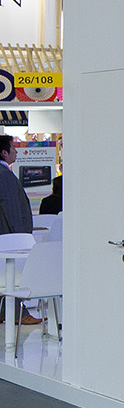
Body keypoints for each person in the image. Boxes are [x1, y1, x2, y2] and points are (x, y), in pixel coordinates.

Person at [0, 136, 39, 328]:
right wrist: (21, 236)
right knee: (12, 275)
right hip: (10, 236)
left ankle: (5, 311)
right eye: (13, 147)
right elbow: (11, 208)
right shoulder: (4, 175)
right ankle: (17, 313)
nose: (16, 151)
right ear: (4, 152)